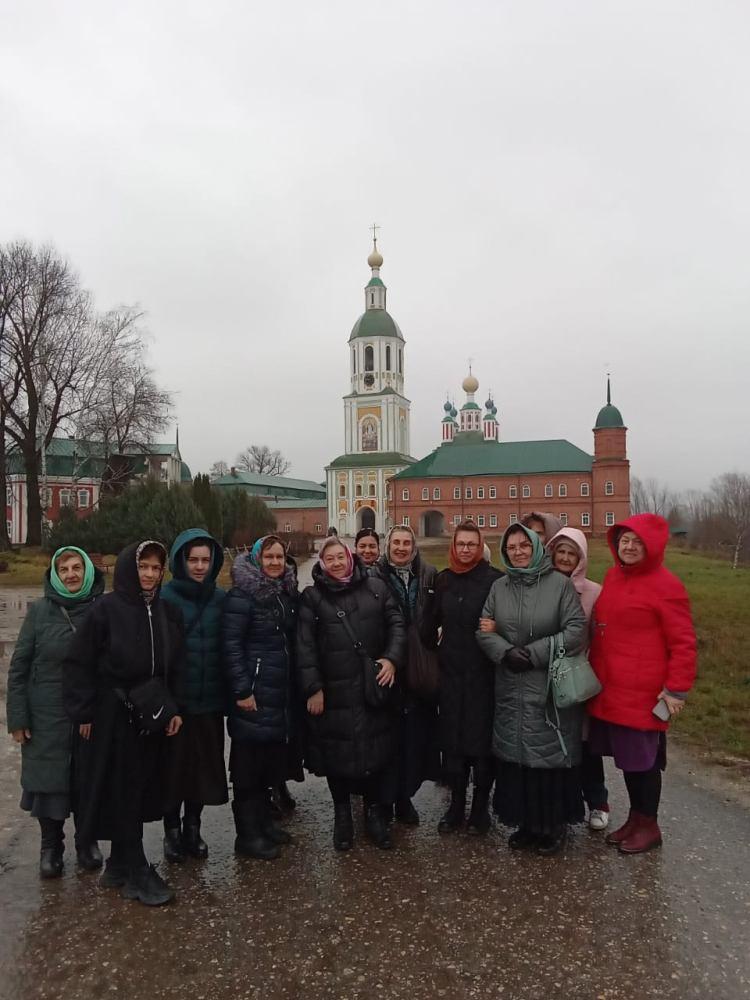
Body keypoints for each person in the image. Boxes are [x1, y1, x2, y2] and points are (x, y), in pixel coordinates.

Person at [63, 541, 184, 906]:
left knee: (141, 786)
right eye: (143, 567)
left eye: (155, 568)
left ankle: (117, 863)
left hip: (150, 711)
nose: (149, 574)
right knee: (122, 788)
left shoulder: (166, 611)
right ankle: (136, 868)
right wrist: (83, 712)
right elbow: (79, 663)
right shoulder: (105, 610)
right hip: (112, 713)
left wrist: (173, 708)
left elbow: (174, 665)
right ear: (131, 568)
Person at [587, 514, 697, 854]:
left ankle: (650, 825)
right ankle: (636, 819)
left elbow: (683, 642)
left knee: (644, 762)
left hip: (644, 692)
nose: (630, 547)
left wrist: (676, 688)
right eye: (625, 540)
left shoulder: (667, 586)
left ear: (652, 546)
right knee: (628, 761)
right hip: (613, 688)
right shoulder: (614, 577)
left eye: (638, 542)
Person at [477, 523, 586, 855]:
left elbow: (576, 630)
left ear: (537, 547)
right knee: (519, 758)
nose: (518, 552)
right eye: (511, 547)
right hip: (511, 684)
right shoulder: (499, 587)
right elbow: (483, 629)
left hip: (547, 685)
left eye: (524, 545)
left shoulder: (559, 585)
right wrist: (505, 652)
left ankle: (552, 826)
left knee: (547, 759)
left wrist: (536, 653)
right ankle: (526, 824)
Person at [297, 536, 406, 851]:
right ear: (322, 563)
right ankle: (342, 814)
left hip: (371, 687)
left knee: (376, 751)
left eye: (340, 557)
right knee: (336, 754)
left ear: (350, 557)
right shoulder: (313, 598)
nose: (336, 563)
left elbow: (397, 625)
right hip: (335, 691)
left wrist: (391, 659)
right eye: (329, 558)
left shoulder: (376, 588)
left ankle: (373, 814)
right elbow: (304, 646)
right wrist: (313, 688)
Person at [6, 547, 105, 878]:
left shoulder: (102, 609)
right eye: (64, 569)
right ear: (55, 575)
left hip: (88, 711)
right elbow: (19, 668)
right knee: (48, 782)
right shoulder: (39, 612)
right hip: (45, 712)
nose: (71, 574)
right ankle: (51, 846)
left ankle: (86, 840)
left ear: (87, 571)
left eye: (77, 568)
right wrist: (18, 719)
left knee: (87, 778)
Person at [421, 522, 502, 835]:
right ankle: (455, 806)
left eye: (472, 544)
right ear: (453, 547)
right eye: (461, 544)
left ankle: (480, 809)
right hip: (452, 674)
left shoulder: (495, 580)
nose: (466, 549)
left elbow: (508, 621)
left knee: (480, 745)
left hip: (484, 674)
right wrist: (434, 643)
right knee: (453, 744)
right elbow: (429, 625)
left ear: (480, 547)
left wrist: (498, 629)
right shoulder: (444, 580)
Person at [223, 535, 298, 860]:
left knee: (268, 763)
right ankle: (247, 836)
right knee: (247, 768)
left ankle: (264, 824)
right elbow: (231, 646)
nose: (275, 562)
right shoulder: (242, 596)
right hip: (253, 694)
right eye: (269, 557)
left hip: (277, 693)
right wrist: (242, 690)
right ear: (256, 559)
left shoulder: (283, 592)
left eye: (279, 557)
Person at [160, 529, 228, 863]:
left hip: (209, 701)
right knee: (173, 770)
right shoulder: (165, 599)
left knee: (202, 769)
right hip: (177, 703)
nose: (200, 567)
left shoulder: (220, 599)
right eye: (193, 560)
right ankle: (171, 831)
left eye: (205, 560)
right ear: (180, 561)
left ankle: (193, 827)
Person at [374, 525, 441, 826]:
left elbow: (440, 611)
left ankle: (404, 796)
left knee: (413, 737)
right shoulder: (374, 576)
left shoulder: (428, 574)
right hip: (387, 664)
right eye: (396, 542)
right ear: (387, 546)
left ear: (414, 547)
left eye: (406, 543)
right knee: (386, 737)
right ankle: (383, 800)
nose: (401, 548)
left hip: (418, 665)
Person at [546, 527, 609, 831]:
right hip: (545, 674)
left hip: (577, 675)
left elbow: (600, 635)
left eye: (572, 553)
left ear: (581, 558)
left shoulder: (594, 592)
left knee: (584, 743)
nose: (565, 558)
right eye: (561, 551)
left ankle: (598, 801)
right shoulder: (542, 585)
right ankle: (560, 803)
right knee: (553, 741)